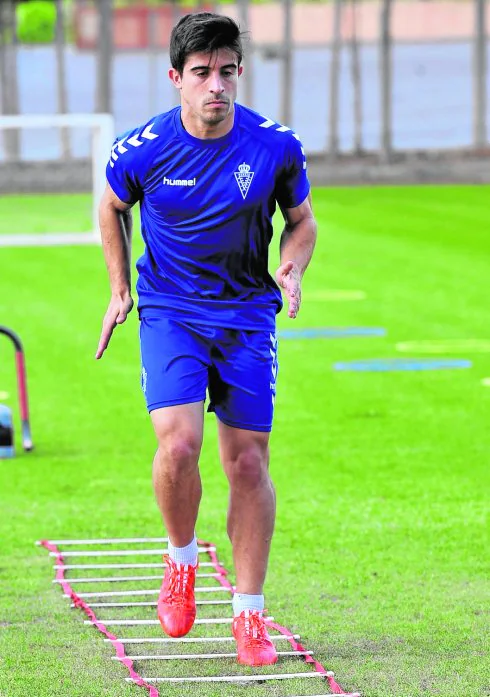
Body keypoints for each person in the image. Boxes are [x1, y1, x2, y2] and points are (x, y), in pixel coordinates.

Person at [96, 12, 317, 667]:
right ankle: (182, 558)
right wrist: (118, 288)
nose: (216, 85)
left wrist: (291, 265)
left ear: (238, 72)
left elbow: (301, 222)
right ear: (176, 79)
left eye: (227, 71)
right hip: (170, 309)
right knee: (179, 442)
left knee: (247, 463)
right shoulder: (142, 149)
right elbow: (111, 205)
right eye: (201, 73)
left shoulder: (276, 146)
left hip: (247, 315)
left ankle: (249, 614)